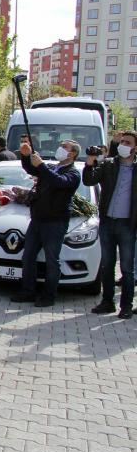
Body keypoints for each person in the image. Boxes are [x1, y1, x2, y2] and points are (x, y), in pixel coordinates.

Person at [12, 140, 81, 307]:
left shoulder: (73, 173)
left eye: (64, 147)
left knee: (52, 260)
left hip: (55, 222)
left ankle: (49, 295)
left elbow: (59, 182)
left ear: (72, 154)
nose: (60, 148)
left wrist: (42, 166)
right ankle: (28, 291)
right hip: (37, 219)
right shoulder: (51, 167)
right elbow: (31, 169)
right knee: (28, 256)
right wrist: (26, 155)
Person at [82, 132, 137, 318]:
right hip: (107, 221)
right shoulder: (109, 165)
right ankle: (107, 302)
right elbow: (89, 180)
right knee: (107, 264)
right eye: (122, 141)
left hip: (127, 225)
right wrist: (90, 161)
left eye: (127, 142)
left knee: (127, 268)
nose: (123, 144)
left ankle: (126, 306)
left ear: (135, 148)